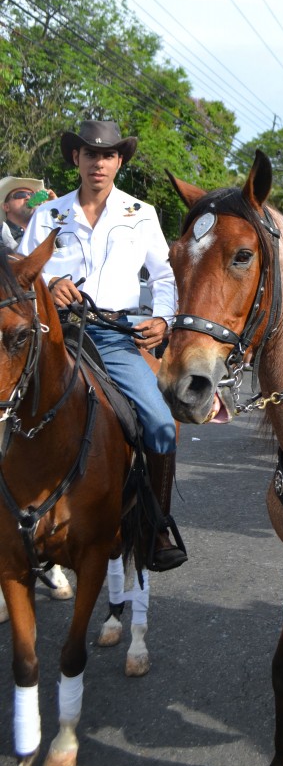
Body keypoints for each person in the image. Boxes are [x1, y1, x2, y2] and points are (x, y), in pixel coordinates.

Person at [19, 120, 186, 571]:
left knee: (161, 426)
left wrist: (162, 318)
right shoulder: (47, 215)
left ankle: (155, 524)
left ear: (119, 162)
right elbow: (20, 272)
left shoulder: (141, 212)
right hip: (54, 334)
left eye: (109, 154)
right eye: (90, 153)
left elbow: (165, 276)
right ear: (76, 159)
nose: (99, 162)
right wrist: (50, 283)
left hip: (114, 336)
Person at [0, 176, 57, 249]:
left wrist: (56, 207)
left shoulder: (46, 229)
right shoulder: (2, 235)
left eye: (32, 195)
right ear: (6, 207)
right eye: (20, 194)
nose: (28, 198)